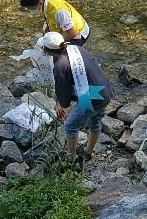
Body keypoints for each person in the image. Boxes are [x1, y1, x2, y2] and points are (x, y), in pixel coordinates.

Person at [37, 32, 112, 162]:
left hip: (93, 97)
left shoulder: (60, 66)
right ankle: (88, 152)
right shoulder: (76, 48)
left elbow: (63, 93)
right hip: (105, 90)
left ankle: (71, 159)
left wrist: (61, 105)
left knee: (70, 126)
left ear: (48, 52)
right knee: (95, 121)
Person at [20, 0, 90, 45]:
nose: (29, 11)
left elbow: (72, 33)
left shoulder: (59, 12)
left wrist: (53, 43)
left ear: (40, 3)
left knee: (58, 55)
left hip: (78, 33)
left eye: (31, 8)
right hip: (64, 25)